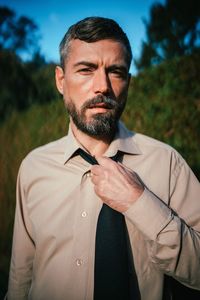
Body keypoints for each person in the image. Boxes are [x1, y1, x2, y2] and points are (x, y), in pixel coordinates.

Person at [7, 17, 200, 300]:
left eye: (116, 72)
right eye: (86, 70)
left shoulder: (168, 163)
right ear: (61, 80)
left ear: (128, 82)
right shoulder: (33, 167)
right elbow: (20, 275)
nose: (102, 87)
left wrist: (141, 203)